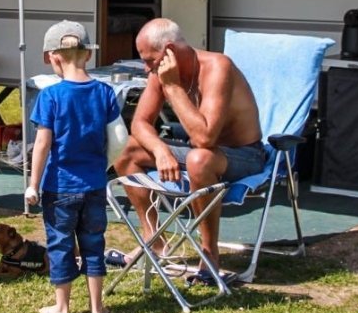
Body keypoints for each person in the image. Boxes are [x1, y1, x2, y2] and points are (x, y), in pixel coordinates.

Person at [109, 18, 264, 285]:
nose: (146, 69)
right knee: (127, 150)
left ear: (169, 50)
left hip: (244, 154)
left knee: (199, 159)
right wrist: (160, 151)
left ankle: (209, 254)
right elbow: (139, 123)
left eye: (150, 60)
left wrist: (172, 87)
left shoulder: (218, 67)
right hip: (199, 153)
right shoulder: (159, 72)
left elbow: (205, 138)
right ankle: (154, 241)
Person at [25, 21, 127, 313]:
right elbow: (120, 139)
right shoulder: (105, 92)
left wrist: (33, 184)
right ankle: (97, 307)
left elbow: (42, 145)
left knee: (61, 243)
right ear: (89, 55)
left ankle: (62, 307)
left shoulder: (50, 96)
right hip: (94, 185)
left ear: (53, 57)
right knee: (94, 243)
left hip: (59, 187)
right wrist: (102, 166)